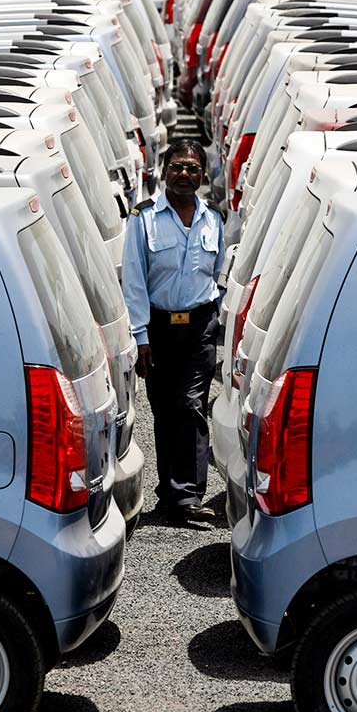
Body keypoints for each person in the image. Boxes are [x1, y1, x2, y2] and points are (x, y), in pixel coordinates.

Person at [122, 139, 225, 522]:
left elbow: (218, 276)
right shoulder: (143, 217)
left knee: (192, 405)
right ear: (165, 171)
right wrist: (141, 336)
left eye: (193, 168)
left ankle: (189, 497)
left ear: (201, 174)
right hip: (159, 328)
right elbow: (134, 280)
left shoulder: (213, 218)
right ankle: (170, 492)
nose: (185, 174)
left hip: (198, 326)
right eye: (177, 167)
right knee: (164, 409)